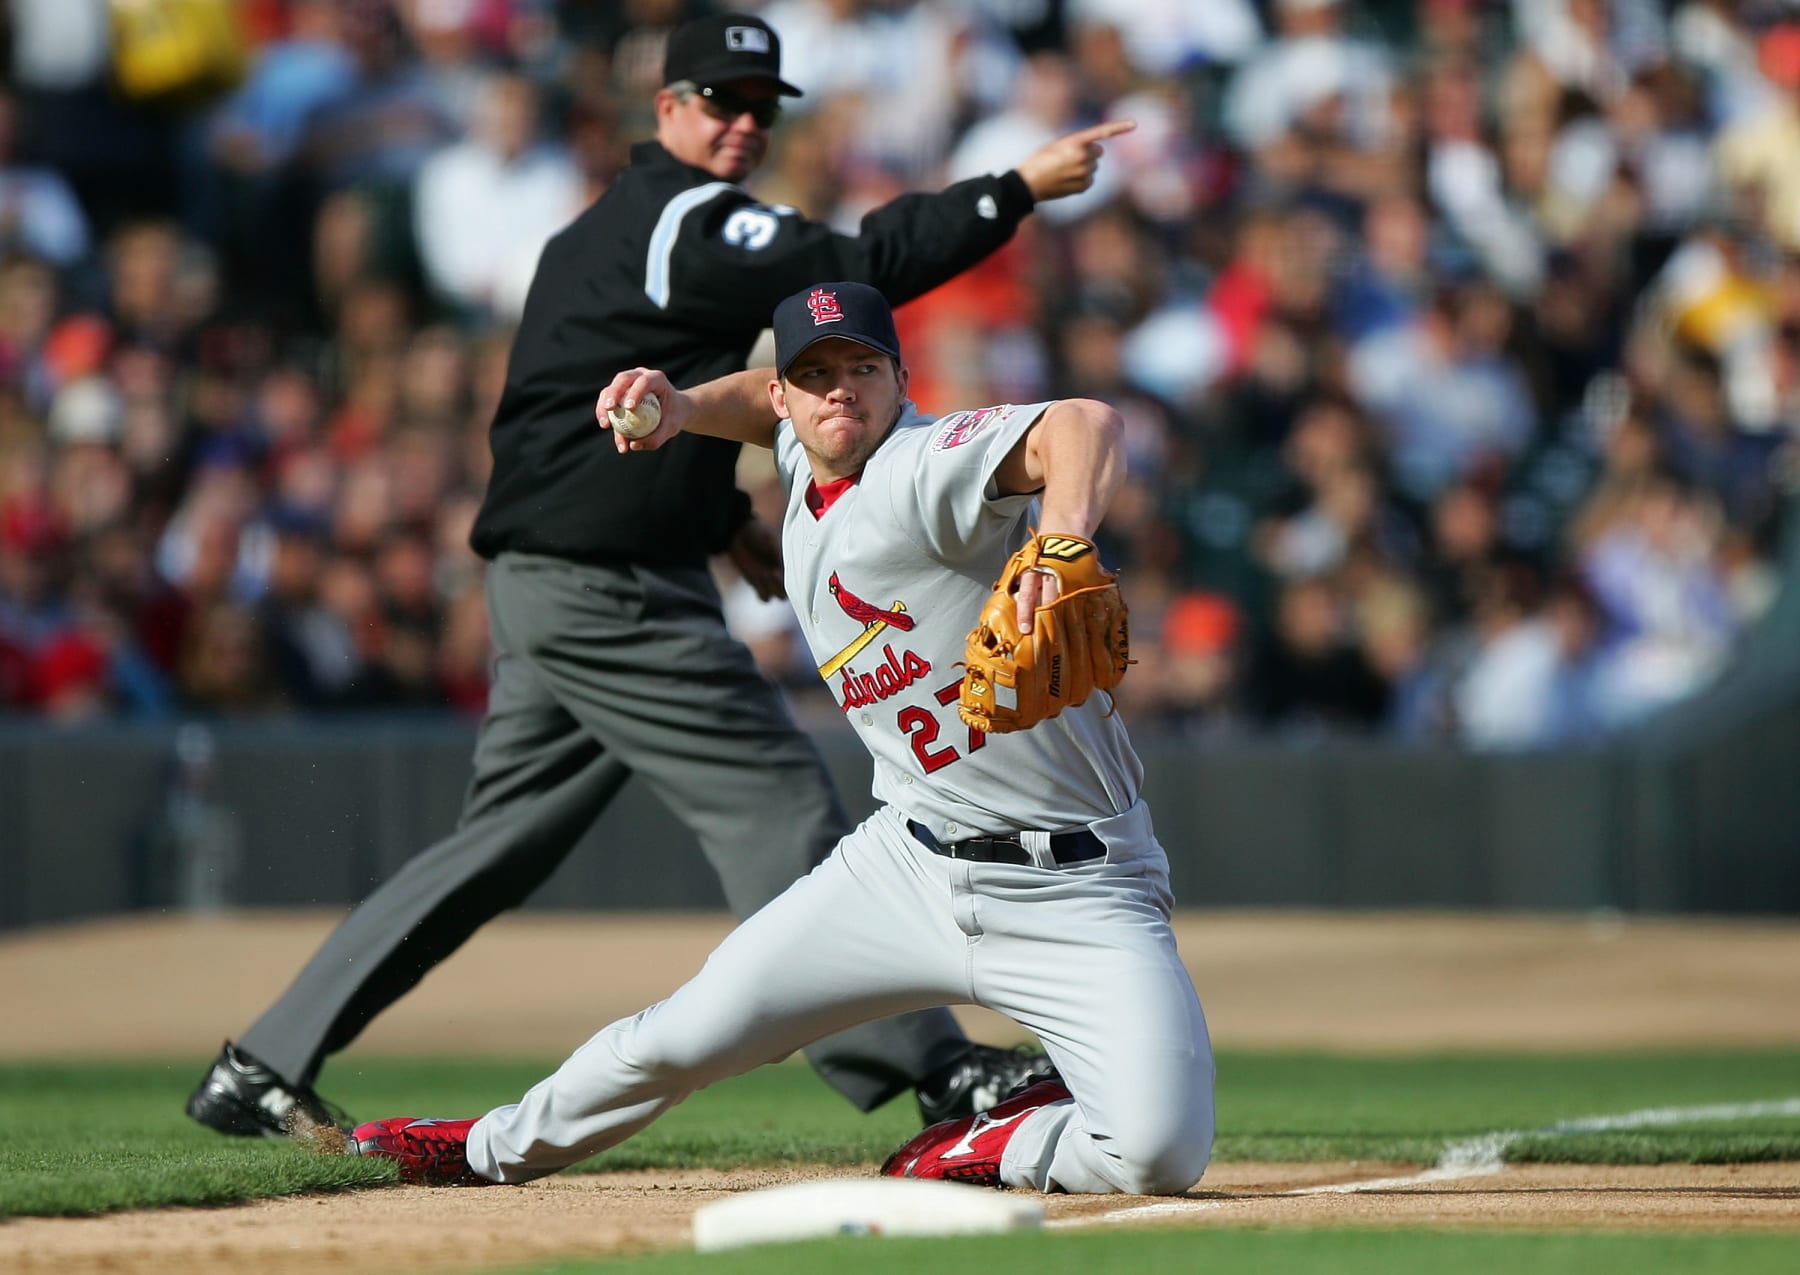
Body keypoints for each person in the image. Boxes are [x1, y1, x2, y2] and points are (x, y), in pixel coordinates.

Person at [187, 12, 1136, 1140]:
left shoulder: (620, 228)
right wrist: (1013, 187)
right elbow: (854, 273)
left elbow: (600, 401)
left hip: (565, 570)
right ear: (666, 110)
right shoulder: (684, 218)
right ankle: (935, 1070)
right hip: (608, 585)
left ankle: (262, 1062)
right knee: (774, 792)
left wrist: (718, 513)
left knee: (497, 847)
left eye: (761, 106)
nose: (743, 122)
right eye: (719, 100)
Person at [344, 280, 1215, 1195]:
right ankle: (483, 1146)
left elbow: (1083, 422)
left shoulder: (926, 463)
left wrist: (1065, 539)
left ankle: (983, 1146)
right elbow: (756, 411)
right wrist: (681, 407)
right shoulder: (802, 452)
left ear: (900, 378)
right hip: (906, 866)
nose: (840, 389)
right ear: (783, 394)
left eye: (862, 369)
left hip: (1075, 885)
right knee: (684, 1034)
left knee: (1157, 1151)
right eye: (815, 373)